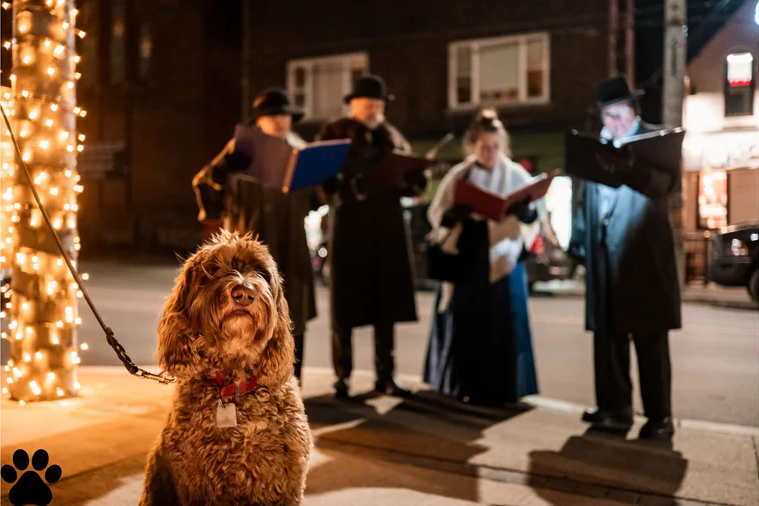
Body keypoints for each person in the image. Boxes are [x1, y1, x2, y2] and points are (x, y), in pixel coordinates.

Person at [568, 75, 681, 440]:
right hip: (605, 261)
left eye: (619, 115)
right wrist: (580, 244)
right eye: (607, 116)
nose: (613, 123)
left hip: (643, 259)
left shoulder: (655, 143)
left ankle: (659, 416)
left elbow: (664, 187)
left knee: (649, 340)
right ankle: (614, 409)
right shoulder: (597, 146)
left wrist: (628, 166)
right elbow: (585, 201)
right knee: (608, 339)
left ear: (633, 112)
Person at [193, 88, 321, 383]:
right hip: (250, 252)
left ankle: (291, 382)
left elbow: (314, 201)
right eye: (272, 116)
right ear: (259, 121)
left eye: (284, 115)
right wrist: (224, 171)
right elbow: (204, 183)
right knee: (244, 315)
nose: (279, 121)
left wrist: (326, 186)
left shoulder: (300, 151)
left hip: (292, 248)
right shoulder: (241, 148)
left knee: (294, 315)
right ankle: (243, 383)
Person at [316, 74, 427, 399]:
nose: (372, 110)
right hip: (350, 226)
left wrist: (416, 177)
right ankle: (343, 375)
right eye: (367, 105)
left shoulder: (391, 136)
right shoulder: (334, 133)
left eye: (377, 106)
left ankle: (386, 375)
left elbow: (407, 176)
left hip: (387, 227)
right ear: (352, 105)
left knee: (386, 303)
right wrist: (342, 188)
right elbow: (324, 180)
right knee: (346, 305)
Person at [424, 108, 540, 405]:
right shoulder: (459, 174)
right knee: (467, 324)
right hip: (467, 257)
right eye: (484, 148)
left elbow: (536, 214)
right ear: (473, 147)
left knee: (502, 326)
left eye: (495, 148)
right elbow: (436, 214)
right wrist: (452, 215)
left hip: (504, 256)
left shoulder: (515, 173)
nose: (490, 153)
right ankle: (462, 384)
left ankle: (503, 388)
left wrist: (526, 213)